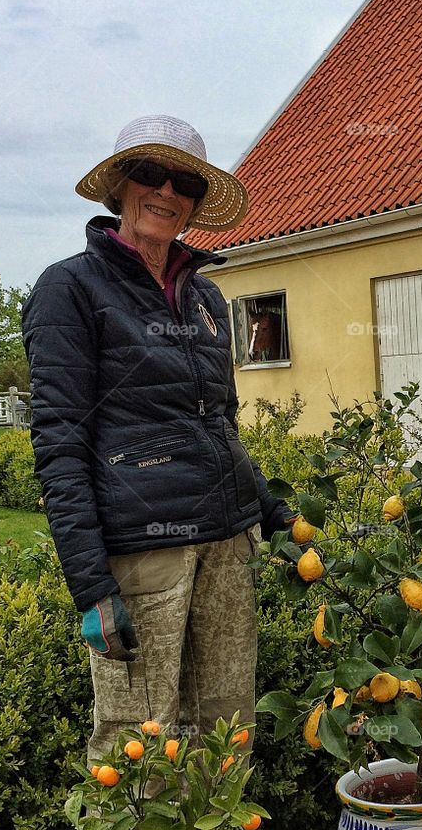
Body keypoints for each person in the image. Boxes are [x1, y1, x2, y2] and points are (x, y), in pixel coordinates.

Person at [21, 115, 295, 762]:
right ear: (119, 185)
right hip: (144, 553)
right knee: (135, 740)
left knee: (226, 729)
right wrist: (90, 587)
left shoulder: (205, 297)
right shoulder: (70, 289)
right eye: (149, 172)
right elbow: (59, 443)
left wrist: (274, 514)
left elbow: (215, 425)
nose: (166, 191)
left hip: (227, 543)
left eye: (184, 182)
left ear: (196, 203)